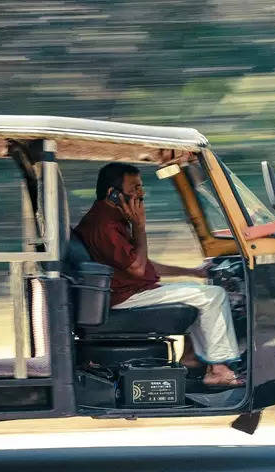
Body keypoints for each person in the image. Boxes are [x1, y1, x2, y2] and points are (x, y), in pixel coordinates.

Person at [74, 162, 244, 388]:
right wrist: (139, 227)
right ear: (113, 194)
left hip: (129, 290)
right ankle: (219, 370)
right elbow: (137, 269)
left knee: (197, 293)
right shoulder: (105, 226)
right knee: (214, 296)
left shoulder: (110, 220)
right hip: (125, 297)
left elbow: (140, 264)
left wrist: (192, 272)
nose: (141, 194)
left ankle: (191, 358)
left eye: (141, 187)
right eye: (134, 188)